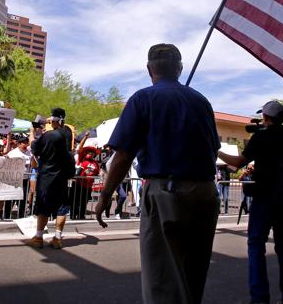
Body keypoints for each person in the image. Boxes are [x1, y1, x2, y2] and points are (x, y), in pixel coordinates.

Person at [94, 43, 221, 304]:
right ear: (180, 68)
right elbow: (214, 148)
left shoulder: (143, 99)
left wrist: (106, 194)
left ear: (149, 69)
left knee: (162, 279)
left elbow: (124, 154)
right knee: (192, 275)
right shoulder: (201, 101)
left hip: (166, 194)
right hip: (205, 193)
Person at [218, 100, 283, 304]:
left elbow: (238, 162)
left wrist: (216, 151)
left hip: (264, 197)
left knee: (256, 245)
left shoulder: (261, 137)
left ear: (266, 117)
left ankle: (260, 297)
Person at [25, 107, 75, 249]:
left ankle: (39, 237)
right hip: (62, 176)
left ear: (54, 120)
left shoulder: (49, 135)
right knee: (61, 207)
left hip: (47, 176)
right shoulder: (68, 133)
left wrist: (32, 132)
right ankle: (57, 238)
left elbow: (33, 147)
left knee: (43, 207)